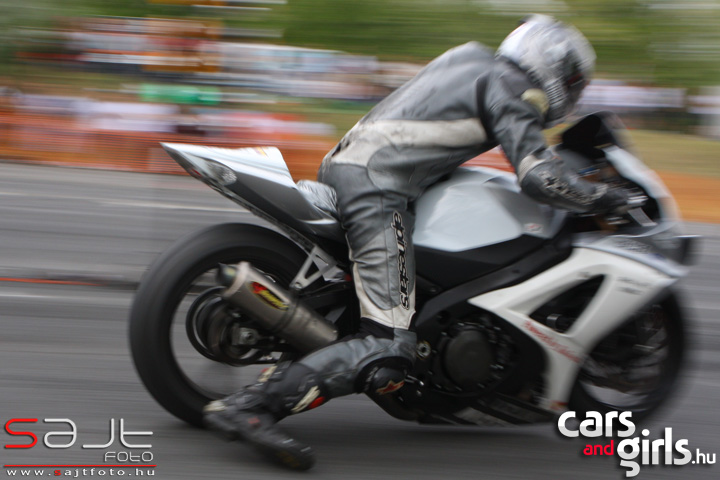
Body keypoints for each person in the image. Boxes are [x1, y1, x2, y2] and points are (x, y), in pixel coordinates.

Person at [203, 14, 629, 470]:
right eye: (573, 81)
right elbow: (540, 177)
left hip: (350, 165)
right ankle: (253, 407)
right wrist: (602, 197)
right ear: (552, 67)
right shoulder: (514, 90)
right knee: (389, 346)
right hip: (377, 187)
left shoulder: (470, 58)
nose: (571, 91)